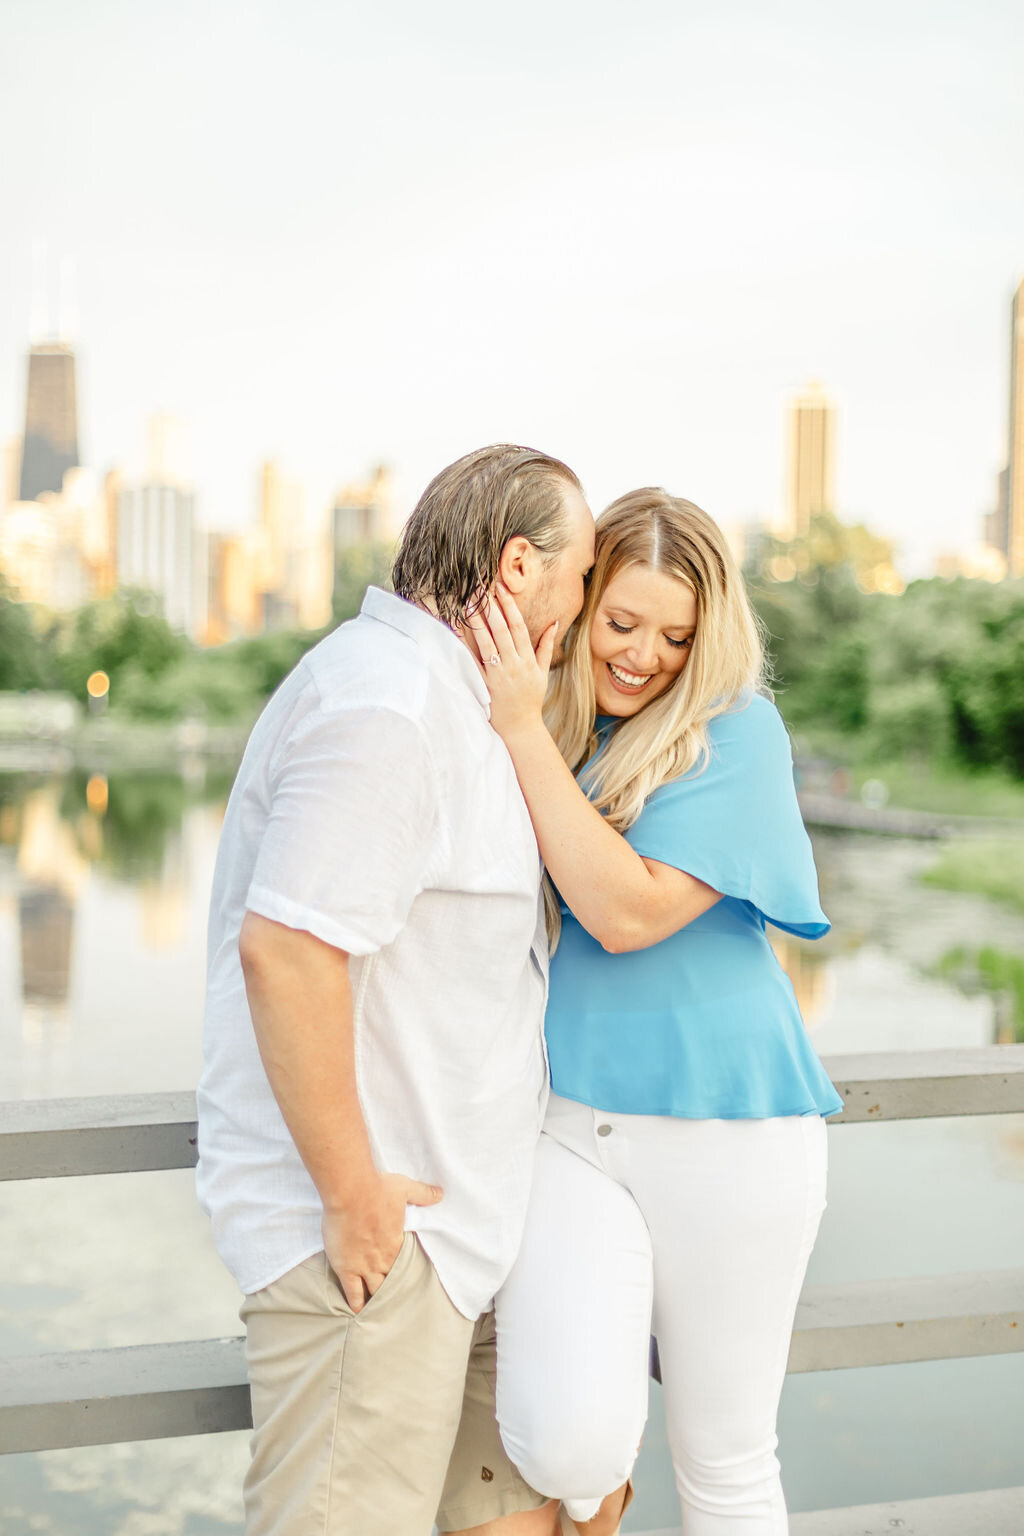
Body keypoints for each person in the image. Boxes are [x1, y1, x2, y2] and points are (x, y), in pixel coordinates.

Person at [195, 443, 596, 1536]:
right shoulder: (388, 706)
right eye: (581, 573)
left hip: (450, 1238)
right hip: (376, 1250)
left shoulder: (444, 704)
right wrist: (352, 1195)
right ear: (520, 568)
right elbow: (287, 950)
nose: (582, 603)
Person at [449, 488, 843, 1536]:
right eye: (620, 622)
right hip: (566, 1124)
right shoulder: (542, 719)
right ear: (579, 607)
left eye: (676, 635)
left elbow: (625, 913)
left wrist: (522, 730)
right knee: (570, 1443)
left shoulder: (735, 733)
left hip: (731, 1131)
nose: (643, 656)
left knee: (722, 1460)